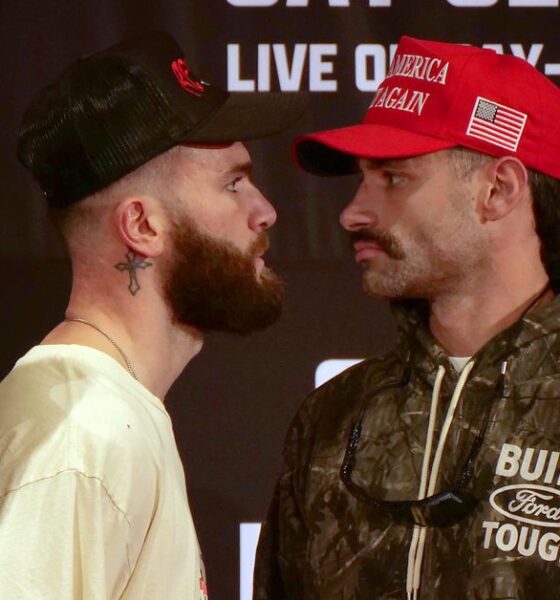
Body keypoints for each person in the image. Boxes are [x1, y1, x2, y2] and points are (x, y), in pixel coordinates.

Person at [0, 31, 305, 599]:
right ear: (142, 226)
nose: (265, 210)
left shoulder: (105, 417)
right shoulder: (82, 441)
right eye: (233, 183)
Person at [253, 35, 560, 600]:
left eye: (394, 178)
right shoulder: (333, 415)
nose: (352, 213)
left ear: (499, 189)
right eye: (362, 179)